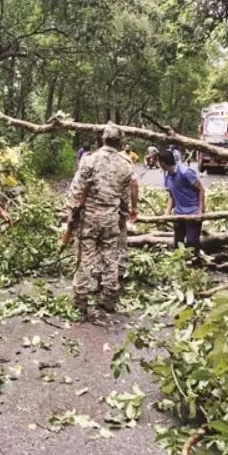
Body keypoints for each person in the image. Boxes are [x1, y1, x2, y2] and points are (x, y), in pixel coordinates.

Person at [66, 127, 134, 322]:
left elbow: (76, 190)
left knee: (85, 258)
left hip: (89, 219)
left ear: (103, 140)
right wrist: (123, 218)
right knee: (110, 258)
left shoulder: (89, 160)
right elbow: (125, 198)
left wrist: (71, 214)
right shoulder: (126, 165)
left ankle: (81, 301)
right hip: (110, 219)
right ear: (120, 143)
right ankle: (109, 298)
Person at [159, 150, 206, 262]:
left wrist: (200, 211)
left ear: (163, 163)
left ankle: (196, 266)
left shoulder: (185, 172)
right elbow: (172, 195)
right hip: (179, 214)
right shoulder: (167, 175)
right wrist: (167, 212)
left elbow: (201, 189)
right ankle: (180, 266)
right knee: (178, 243)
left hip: (193, 212)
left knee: (191, 242)